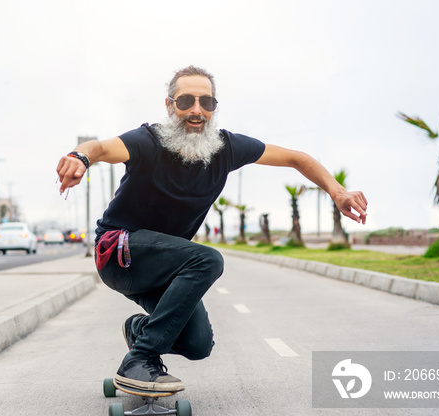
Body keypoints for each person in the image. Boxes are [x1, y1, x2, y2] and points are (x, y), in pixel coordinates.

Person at [56, 65, 367, 393]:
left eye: (207, 103)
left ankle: (140, 334)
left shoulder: (227, 148)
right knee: (207, 259)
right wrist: (80, 157)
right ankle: (140, 360)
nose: (196, 110)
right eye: (186, 101)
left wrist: (337, 191)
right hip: (118, 251)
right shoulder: (148, 141)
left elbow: (296, 158)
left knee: (197, 344)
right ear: (169, 105)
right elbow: (101, 148)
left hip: (162, 268)